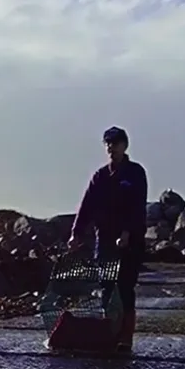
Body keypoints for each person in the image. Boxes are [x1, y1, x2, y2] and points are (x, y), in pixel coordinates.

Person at [67, 125, 148, 352]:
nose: (112, 147)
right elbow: (87, 206)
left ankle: (125, 337)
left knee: (125, 287)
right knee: (106, 286)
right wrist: (76, 233)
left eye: (116, 143)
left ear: (125, 145)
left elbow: (137, 207)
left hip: (130, 240)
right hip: (104, 239)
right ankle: (109, 331)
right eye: (108, 144)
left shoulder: (135, 173)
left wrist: (127, 233)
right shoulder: (100, 176)